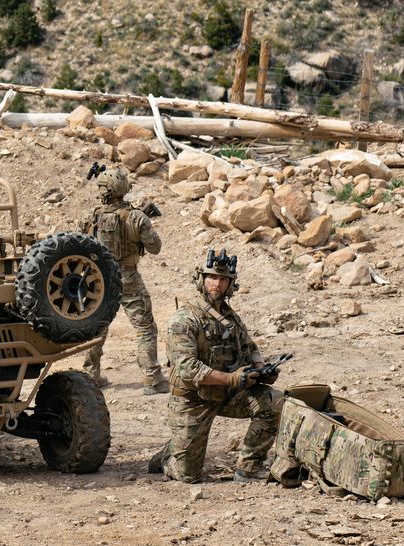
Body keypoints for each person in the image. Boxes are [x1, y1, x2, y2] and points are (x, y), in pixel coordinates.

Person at [147, 251, 284, 483]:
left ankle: (249, 467)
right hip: (192, 400)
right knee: (188, 475)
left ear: (231, 284)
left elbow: (249, 346)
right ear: (201, 280)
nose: (216, 284)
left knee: (275, 402)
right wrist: (231, 379)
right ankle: (170, 454)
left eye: (223, 280)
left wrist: (261, 369)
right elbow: (187, 369)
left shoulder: (230, 317)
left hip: (226, 393)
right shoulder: (185, 319)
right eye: (211, 278)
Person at [79, 167, 168, 393]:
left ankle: (91, 376)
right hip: (128, 277)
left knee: (97, 326)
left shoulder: (92, 216)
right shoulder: (136, 216)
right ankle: (152, 379)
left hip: (98, 279)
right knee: (145, 327)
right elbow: (155, 248)